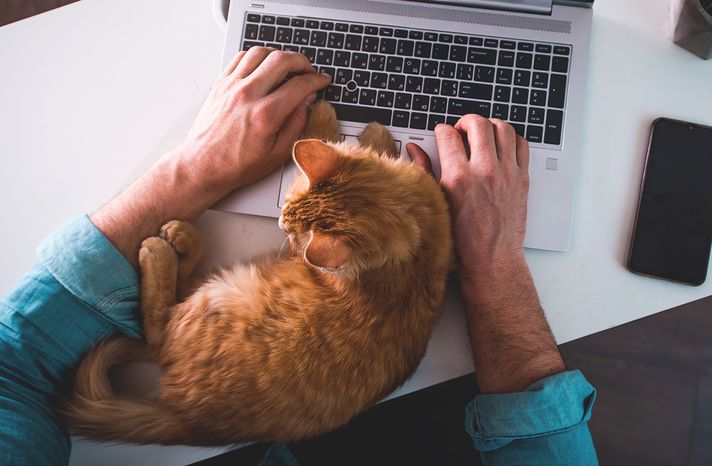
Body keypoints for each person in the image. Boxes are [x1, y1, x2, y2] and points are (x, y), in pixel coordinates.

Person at [0, 48, 597, 465]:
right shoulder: (387, 238)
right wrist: (496, 265)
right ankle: (162, 333)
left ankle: (160, 327)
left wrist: (194, 169)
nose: (294, 238)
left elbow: (15, 364)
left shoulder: (351, 246)